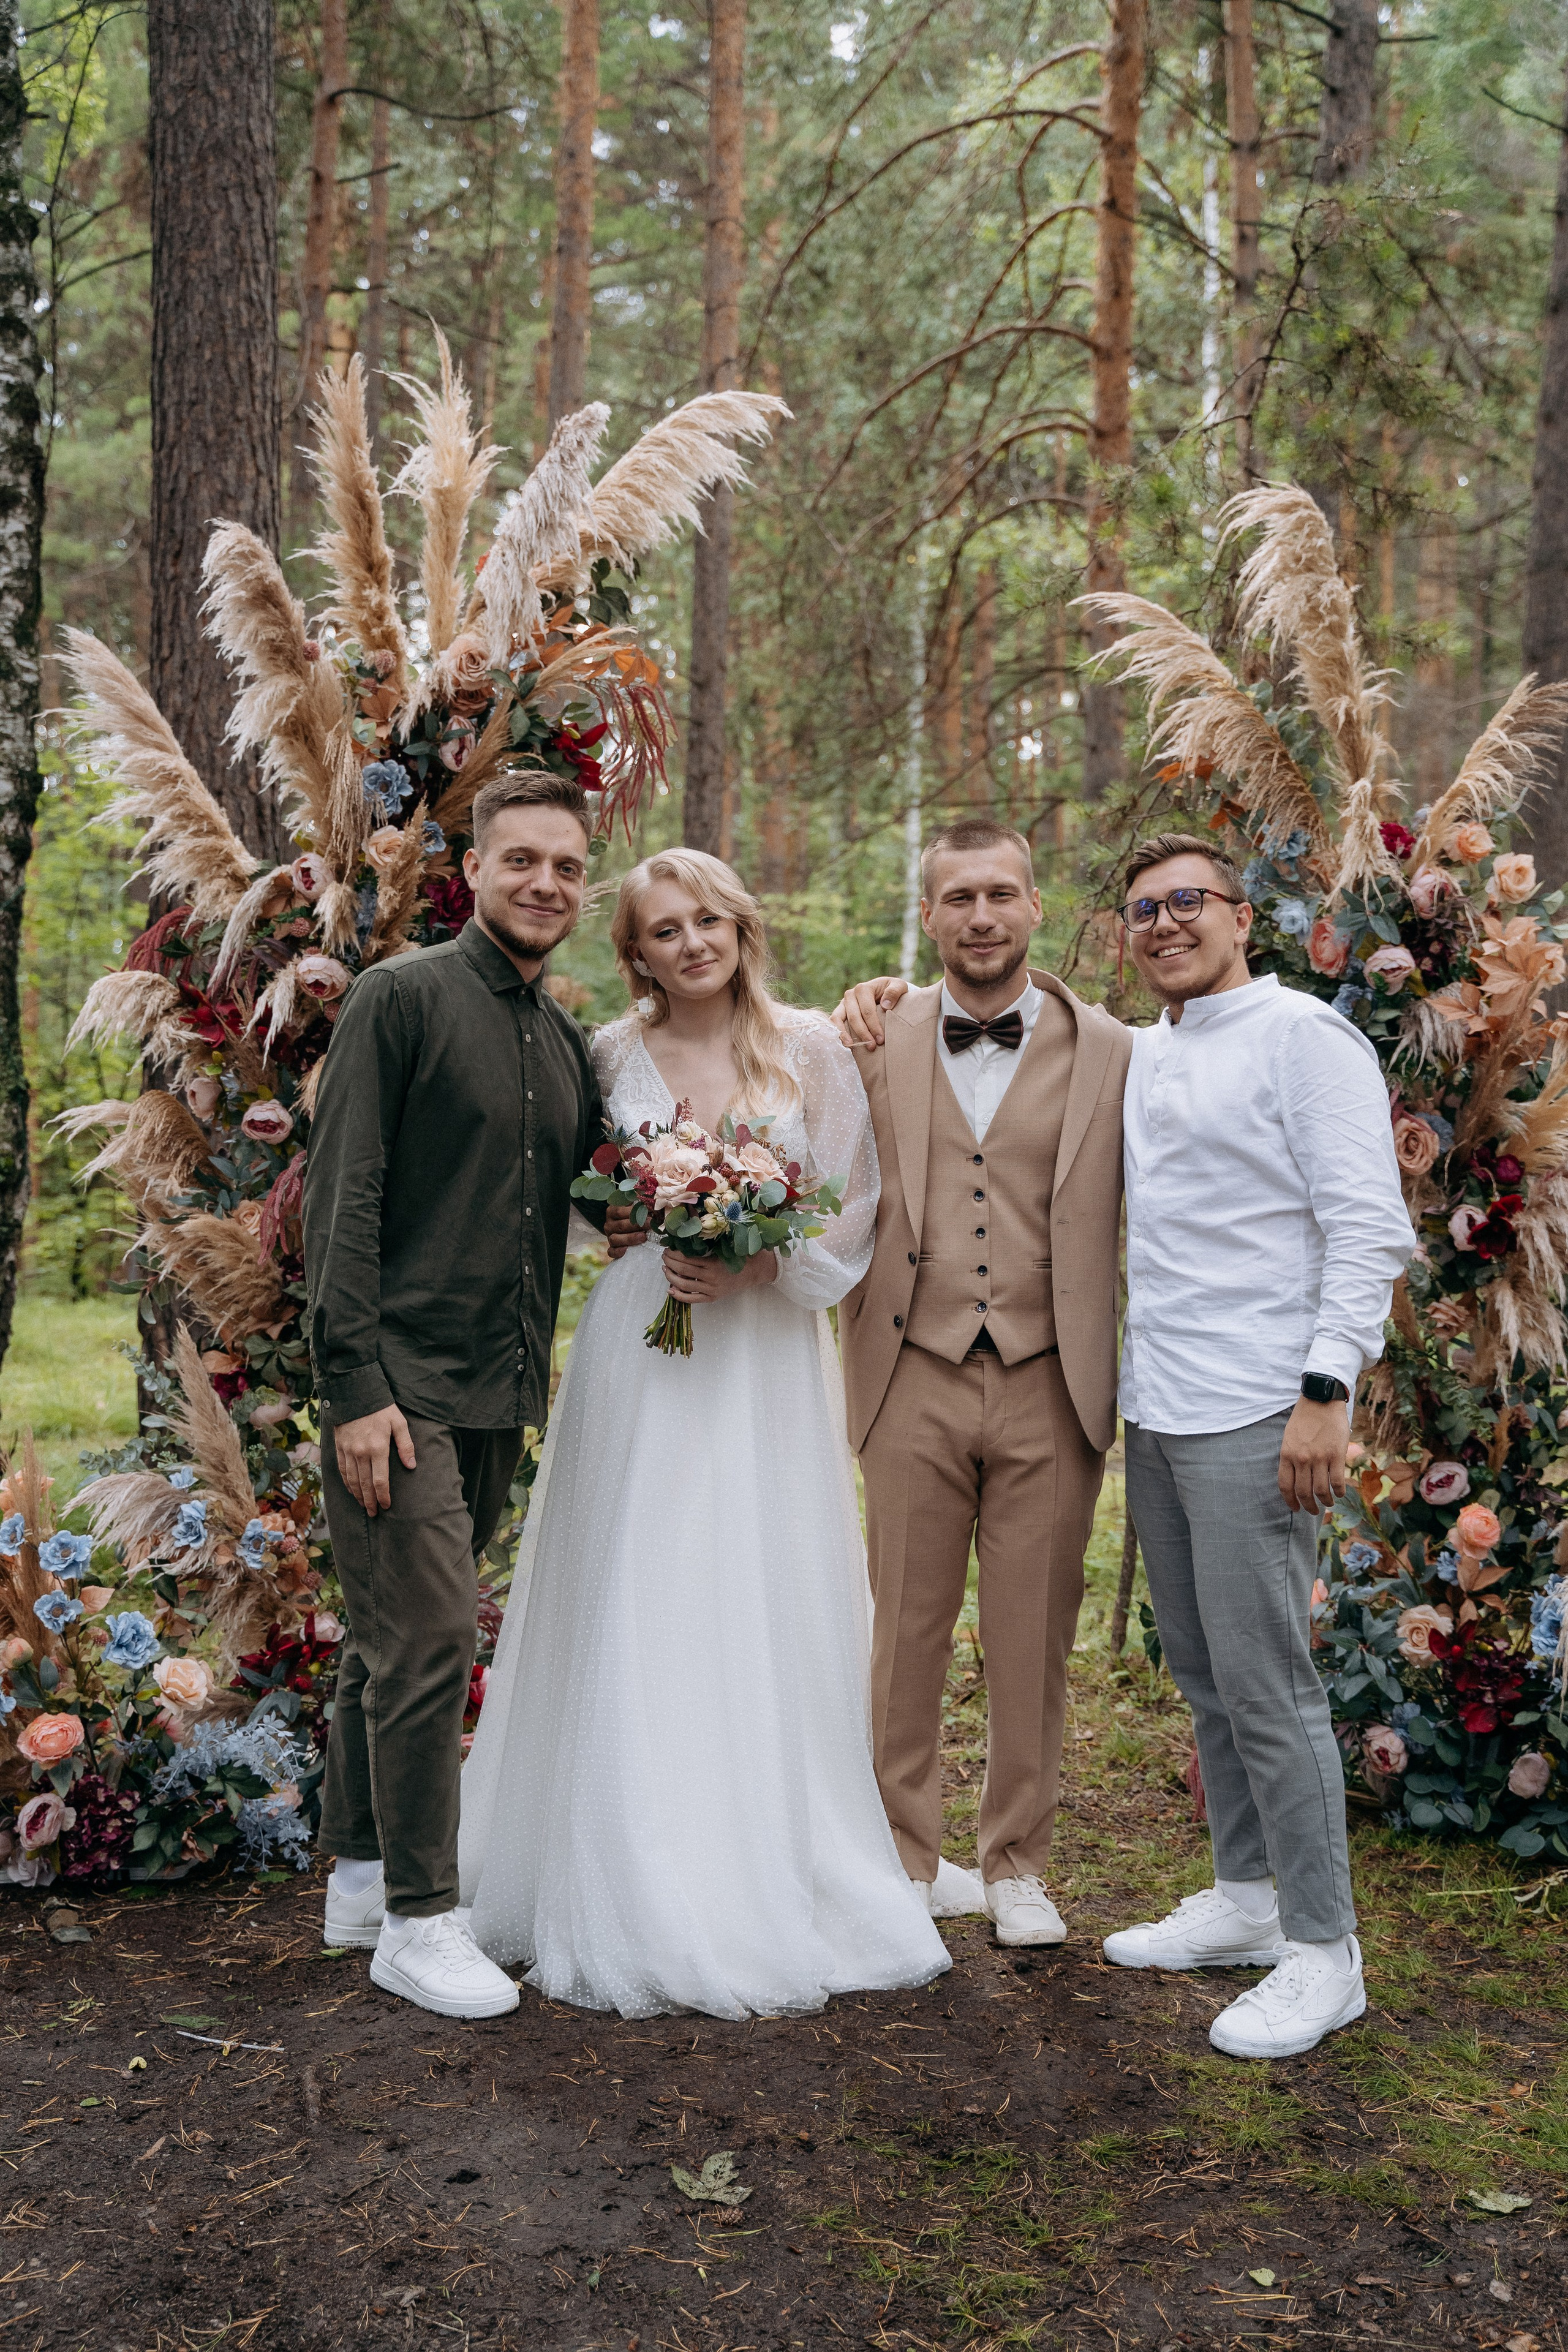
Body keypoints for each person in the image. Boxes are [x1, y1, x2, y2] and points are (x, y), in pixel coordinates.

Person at [457, 848, 948, 2018]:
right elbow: (573, 1200)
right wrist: (636, 1224)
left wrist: (763, 1254)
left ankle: (761, 1848)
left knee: (752, 1577)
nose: (691, 944)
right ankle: (618, 1851)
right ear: (634, 954)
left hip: (764, 1352)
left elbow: (856, 1204)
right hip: (646, 1342)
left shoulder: (814, 1049)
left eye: (708, 920)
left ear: (741, 925)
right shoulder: (608, 1055)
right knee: (638, 1572)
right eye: (663, 931)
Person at [303, 770, 616, 2021]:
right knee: (432, 1637)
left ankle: (360, 1871)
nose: (545, 881)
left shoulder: (560, 1038)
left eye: (567, 866)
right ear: (471, 871)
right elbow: (345, 1195)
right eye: (521, 859)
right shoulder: (402, 997)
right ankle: (421, 1923)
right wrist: (353, 1386)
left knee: (391, 1638)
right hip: (399, 1384)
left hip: (497, 1390)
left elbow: (584, 1205)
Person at [1103, 833, 1414, 2059]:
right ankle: (1243, 1899)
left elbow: (1366, 1226)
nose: (1165, 923)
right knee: (1202, 1678)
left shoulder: (1302, 1038)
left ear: (1242, 918)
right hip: (1160, 1402)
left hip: (1260, 1410)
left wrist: (1324, 1391)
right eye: (1142, 909)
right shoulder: (1145, 1052)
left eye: (1188, 901)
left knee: (1270, 1688)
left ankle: (1322, 1951)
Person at [830, 818, 1130, 1946]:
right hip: (911, 1370)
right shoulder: (869, 1035)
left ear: (1036, 906)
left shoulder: (1112, 1049)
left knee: (1031, 1632)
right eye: (958, 898)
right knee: (903, 1629)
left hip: (1054, 1380)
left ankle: (1017, 1864)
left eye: (1001, 894)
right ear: (927, 915)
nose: (982, 917)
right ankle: (902, 1860)